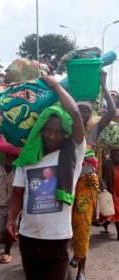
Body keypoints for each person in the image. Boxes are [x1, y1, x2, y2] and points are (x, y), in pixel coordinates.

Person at [5, 76, 85, 280]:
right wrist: (11, 218)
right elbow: (17, 193)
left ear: (65, 134)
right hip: (28, 237)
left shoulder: (72, 154)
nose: (51, 136)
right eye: (47, 130)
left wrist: (57, 86)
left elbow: (75, 114)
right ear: (40, 131)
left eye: (58, 132)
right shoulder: (28, 158)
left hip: (57, 238)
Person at [71, 72, 116, 280]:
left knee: (83, 223)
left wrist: (104, 86)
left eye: (85, 111)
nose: (82, 113)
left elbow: (112, 110)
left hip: (87, 182)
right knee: (66, 224)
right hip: (66, 183)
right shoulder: (64, 129)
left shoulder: (94, 131)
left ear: (90, 115)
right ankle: (72, 255)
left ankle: (82, 269)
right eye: (77, 110)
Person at [0, 153, 15, 264]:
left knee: (8, 229)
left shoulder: (17, 171)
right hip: (1, 205)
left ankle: (7, 252)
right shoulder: (0, 170)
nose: (9, 160)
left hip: (13, 207)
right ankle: (9, 239)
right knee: (0, 229)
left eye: (11, 158)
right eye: (7, 157)